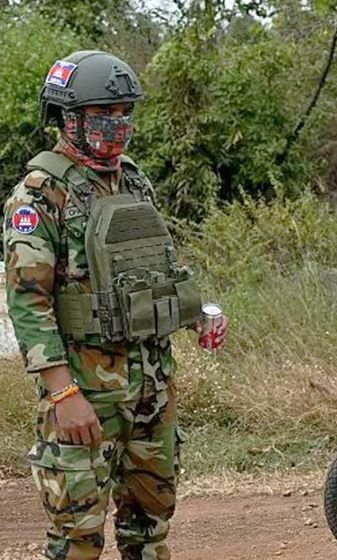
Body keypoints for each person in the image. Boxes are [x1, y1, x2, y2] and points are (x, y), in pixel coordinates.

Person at [4, 50, 229, 560]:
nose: (120, 125)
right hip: (86, 391)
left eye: (126, 112)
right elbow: (27, 301)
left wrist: (198, 314)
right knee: (77, 536)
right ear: (68, 118)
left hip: (152, 383)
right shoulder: (39, 196)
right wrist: (63, 395)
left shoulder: (133, 180)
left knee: (150, 528)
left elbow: (155, 269)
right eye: (106, 114)